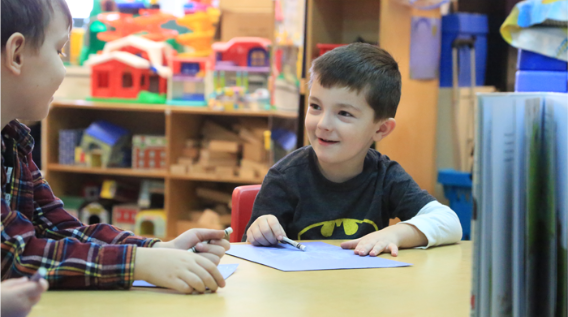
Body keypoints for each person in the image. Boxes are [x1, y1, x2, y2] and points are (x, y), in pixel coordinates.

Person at [0, 0, 229, 294]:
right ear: (16, 54)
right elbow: (13, 257)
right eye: (59, 51)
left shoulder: (13, 139)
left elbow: (58, 227)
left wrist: (156, 249)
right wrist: (137, 263)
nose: (65, 67)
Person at [243, 43, 462, 256]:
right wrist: (261, 231)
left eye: (344, 113)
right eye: (316, 106)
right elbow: (251, 251)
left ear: (381, 129)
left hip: (363, 290)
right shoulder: (285, 178)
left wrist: (395, 234)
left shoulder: (385, 175)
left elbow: (449, 222)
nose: (323, 124)